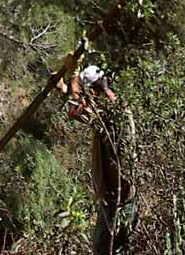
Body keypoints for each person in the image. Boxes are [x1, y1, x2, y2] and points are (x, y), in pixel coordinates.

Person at [67, 65, 138, 255]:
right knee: (117, 248)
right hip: (120, 197)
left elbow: (74, 109)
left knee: (103, 247)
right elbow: (78, 109)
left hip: (117, 199)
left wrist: (72, 76)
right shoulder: (117, 110)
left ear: (92, 92)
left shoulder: (109, 118)